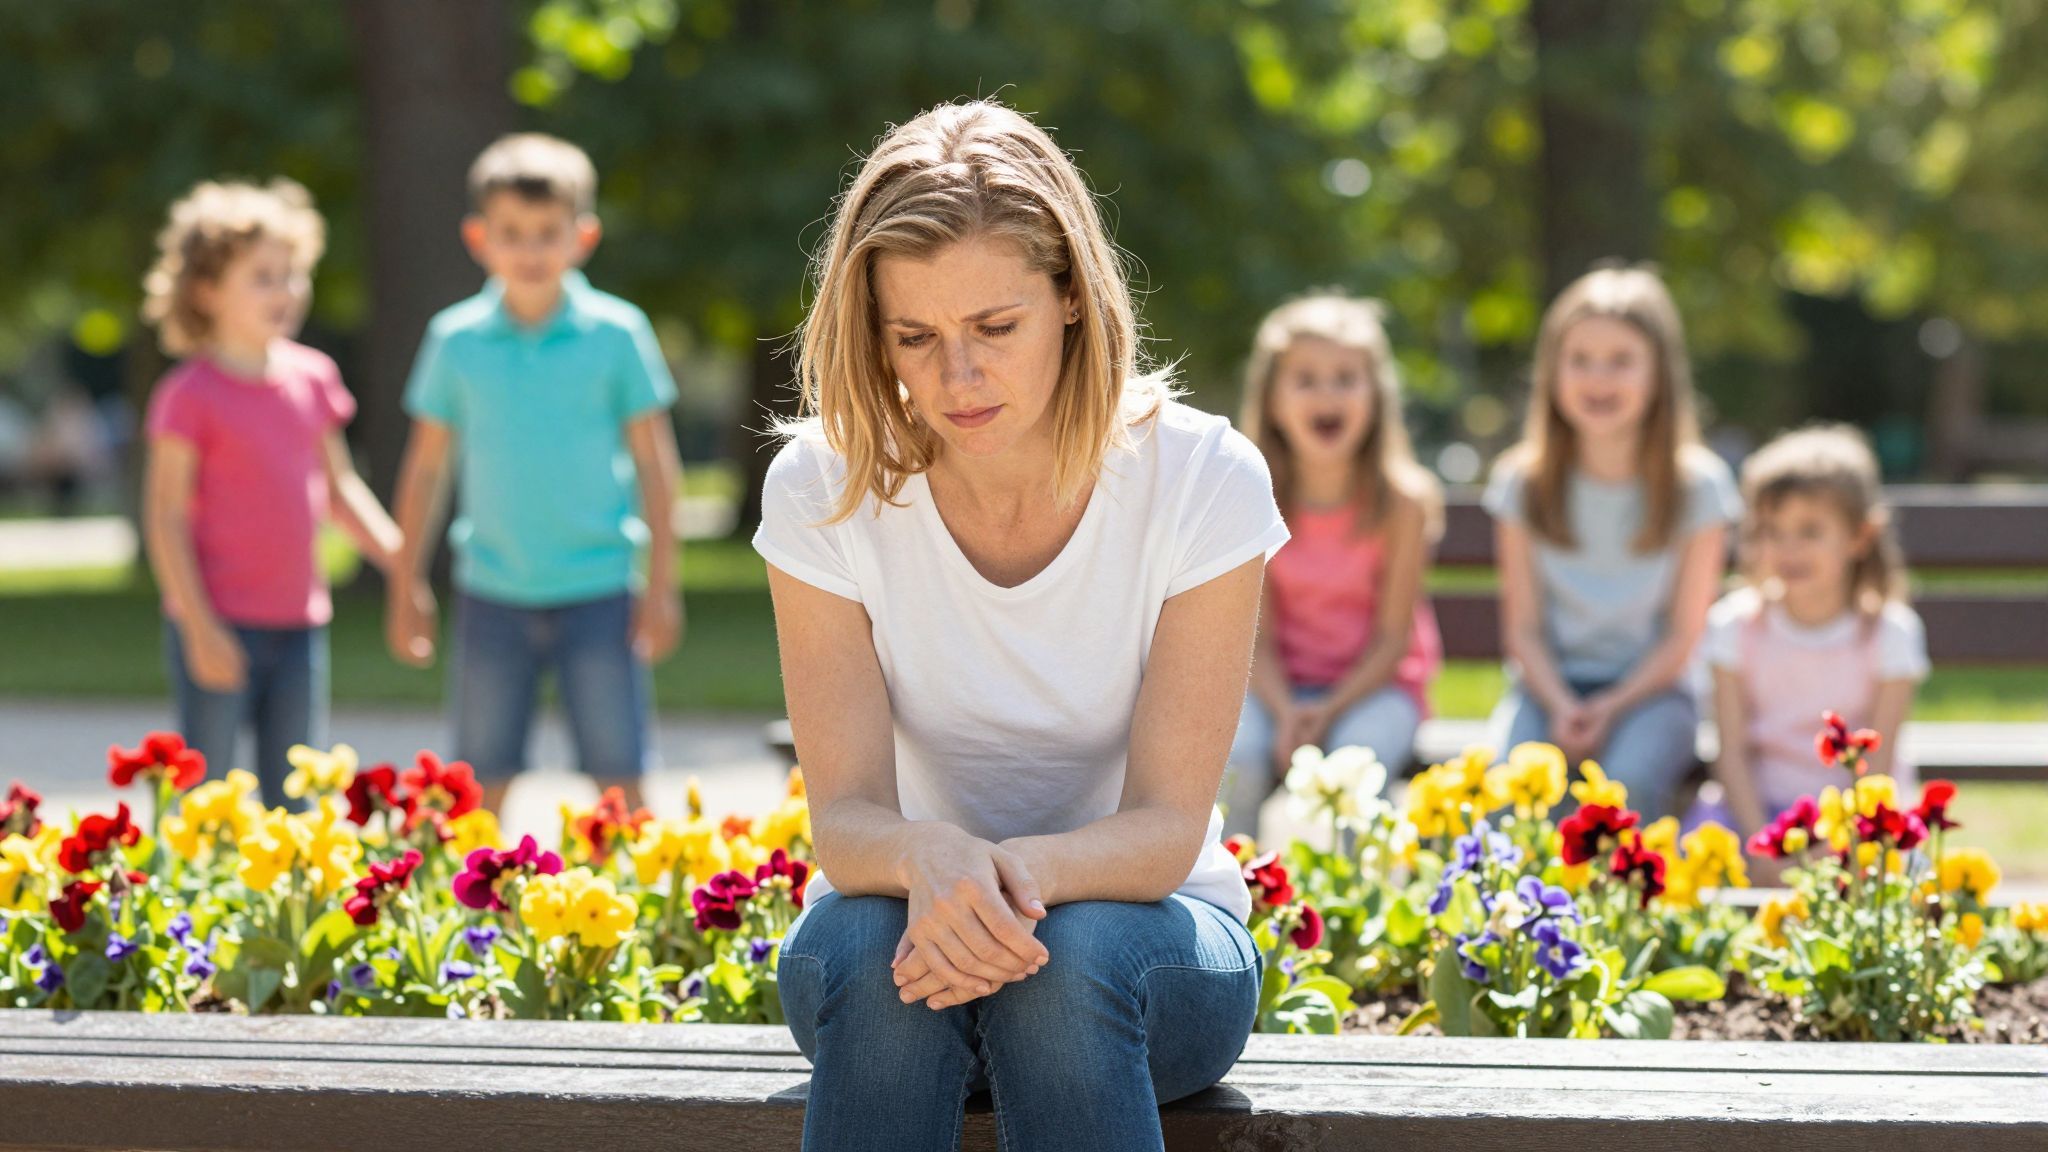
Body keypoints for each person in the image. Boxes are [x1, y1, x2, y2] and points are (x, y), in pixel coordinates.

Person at [756, 100, 1285, 1151]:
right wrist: (927, 863)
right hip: (900, 949)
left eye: (995, 328)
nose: (956, 377)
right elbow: (847, 816)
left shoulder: (1201, 478)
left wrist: (999, 883)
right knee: (869, 953)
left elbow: (1162, 830)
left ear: (1072, 300)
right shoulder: (819, 483)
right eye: (914, 336)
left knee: (1065, 968)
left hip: (1153, 949)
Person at [385, 133, 684, 815]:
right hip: (491, 590)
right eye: (511, 233)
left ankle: (633, 916)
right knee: (479, 782)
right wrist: (406, 583)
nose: (529, 250)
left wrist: (662, 584)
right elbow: (426, 470)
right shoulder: (454, 340)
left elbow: (655, 466)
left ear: (583, 235)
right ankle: (475, 918)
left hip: (601, 589)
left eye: (547, 232)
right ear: (477, 238)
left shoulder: (618, 333)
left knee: (620, 779)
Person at [140, 179, 400, 809]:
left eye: (293, 274)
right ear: (206, 290)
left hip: (300, 626)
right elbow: (165, 518)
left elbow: (340, 489)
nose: (286, 291)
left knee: (293, 800)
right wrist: (200, 627)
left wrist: (403, 563)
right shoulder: (189, 395)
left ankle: (281, 912)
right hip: (218, 622)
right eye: (263, 276)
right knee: (209, 798)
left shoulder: (314, 378)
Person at [1482, 264, 1739, 820]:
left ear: (1659, 375)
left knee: (1625, 792)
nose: (1598, 379)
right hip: (1546, 689)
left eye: (1621, 362)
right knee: (1507, 799)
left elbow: (1681, 638)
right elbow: (1523, 630)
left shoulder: (1700, 488)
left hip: (1654, 695)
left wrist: (1610, 707)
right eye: (1579, 361)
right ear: (1552, 372)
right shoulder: (1522, 484)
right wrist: (1562, 704)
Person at [1223, 293, 1442, 838]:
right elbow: (1257, 639)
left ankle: (1353, 914)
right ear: (1272, 400)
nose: (1328, 393)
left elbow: (1393, 641)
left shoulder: (1403, 503)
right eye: (1307, 379)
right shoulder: (1251, 493)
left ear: (1376, 396)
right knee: (1237, 762)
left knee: (1356, 768)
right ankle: (1233, 904)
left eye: (1346, 378)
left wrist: (1325, 713)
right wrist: (1288, 709)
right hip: (1276, 684)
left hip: (1377, 689)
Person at [1705, 425, 1927, 845]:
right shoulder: (1733, 626)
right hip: (1754, 814)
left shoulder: (1891, 634)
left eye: (1809, 531)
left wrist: (1837, 847)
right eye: (1772, 530)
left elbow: (1878, 765)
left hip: (1860, 823)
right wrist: (1760, 842)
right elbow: (1731, 754)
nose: (1789, 549)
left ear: (1861, 537)